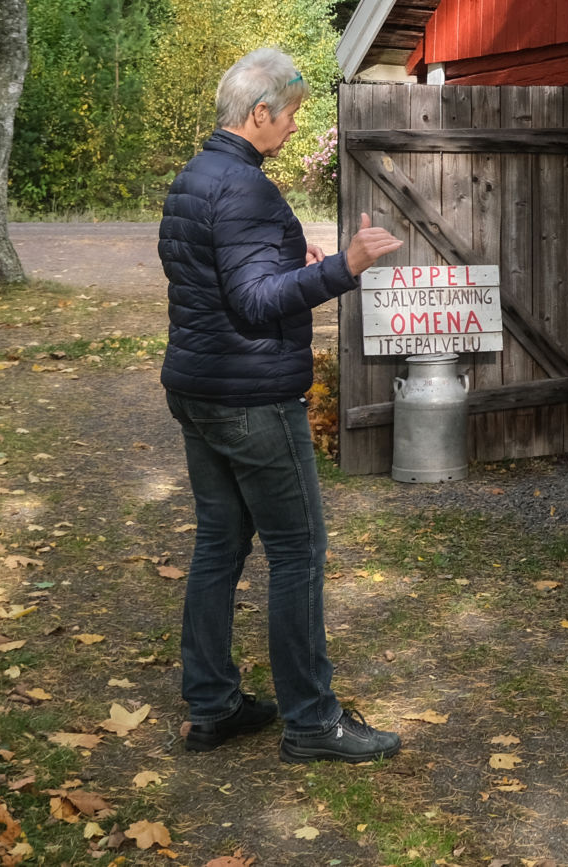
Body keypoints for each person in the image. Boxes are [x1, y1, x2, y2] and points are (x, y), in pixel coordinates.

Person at [159, 47, 406, 763]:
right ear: (258, 113)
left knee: (219, 543)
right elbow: (254, 300)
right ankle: (311, 720)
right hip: (252, 398)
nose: (297, 126)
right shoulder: (245, 189)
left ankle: (213, 705)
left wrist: (286, 266)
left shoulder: (194, 178)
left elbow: (211, 278)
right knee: (297, 550)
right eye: (292, 113)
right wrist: (343, 266)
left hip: (200, 389)